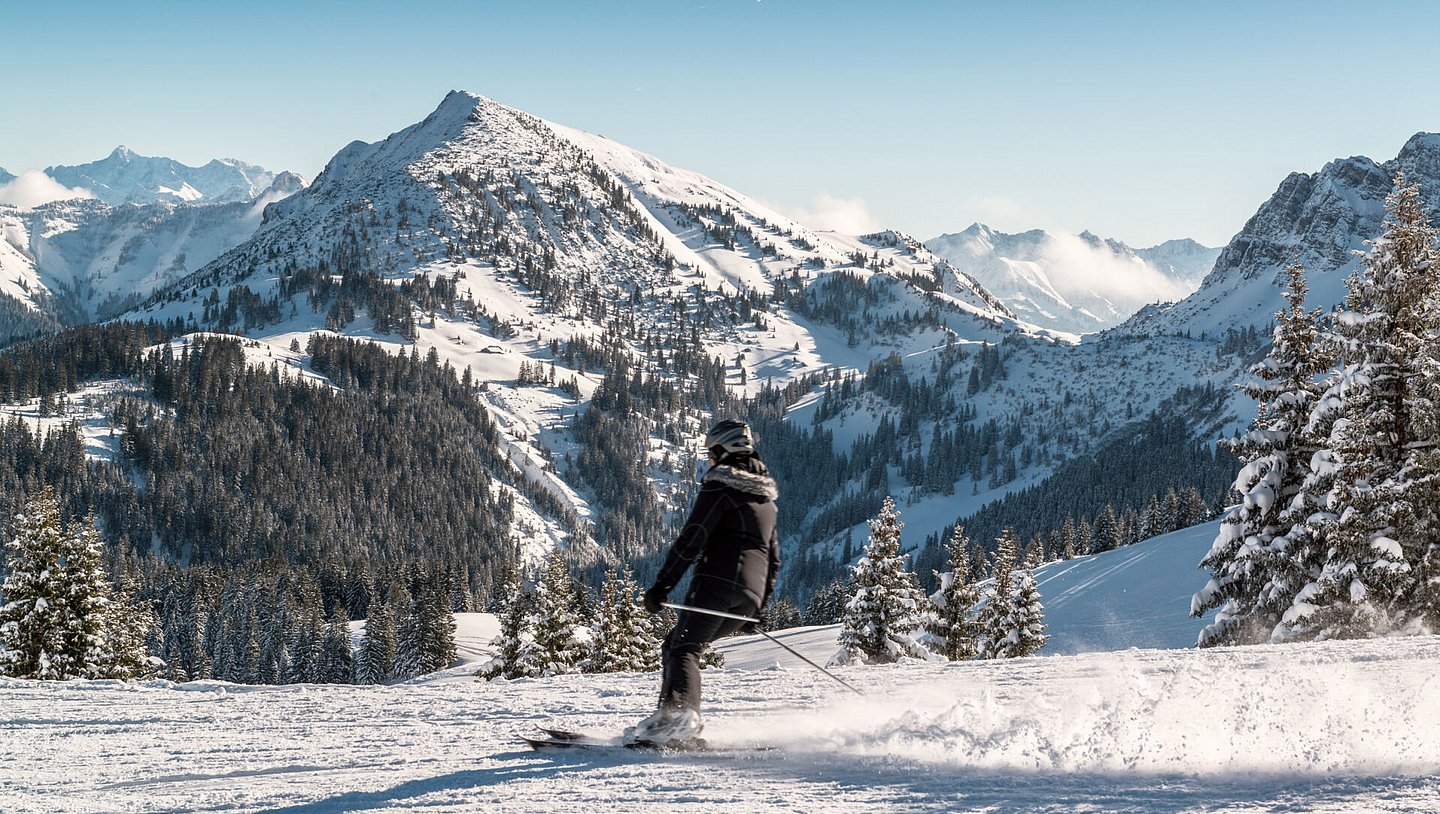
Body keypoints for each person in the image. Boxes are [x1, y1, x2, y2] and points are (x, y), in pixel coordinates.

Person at [630, 419, 781, 745]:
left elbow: (692, 538)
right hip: (749, 597)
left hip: (716, 584)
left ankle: (679, 719)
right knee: (676, 645)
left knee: (684, 648)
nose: (709, 460)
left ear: (722, 451)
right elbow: (774, 560)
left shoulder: (719, 487)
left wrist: (661, 587)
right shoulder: (767, 503)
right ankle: (667, 719)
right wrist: (757, 608)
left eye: (711, 453)